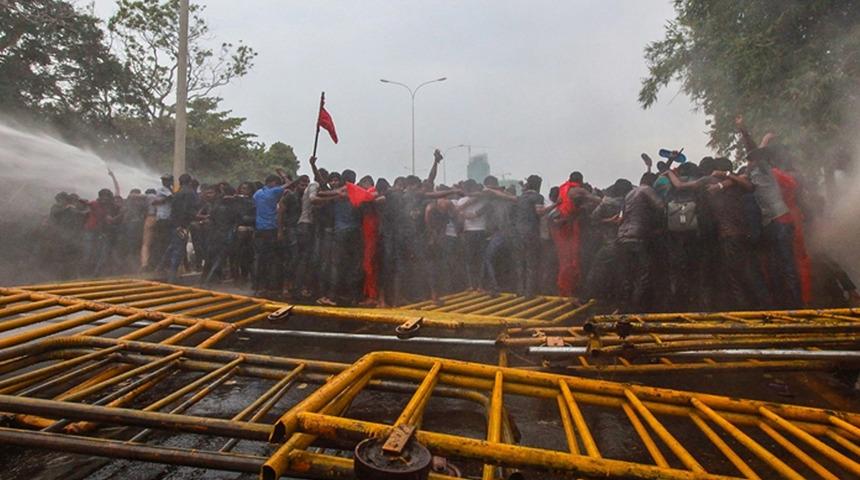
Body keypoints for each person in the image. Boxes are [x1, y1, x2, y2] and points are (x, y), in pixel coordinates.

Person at [617, 172, 664, 312]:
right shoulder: (646, 190)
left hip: (622, 236)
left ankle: (625, 304)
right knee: (644, 272)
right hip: (638, 236)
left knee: (628, 273)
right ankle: (638, 305)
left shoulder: (629, 193)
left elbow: (623, 215)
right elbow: (661, 207)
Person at [252, 170, 290, 295]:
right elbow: (289, 183)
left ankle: (258, 286)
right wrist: (283, 175)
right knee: (273, 259)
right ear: (273, 183)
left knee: (260, 259)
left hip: (259, 229)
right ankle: (269, 286)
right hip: (271, 229)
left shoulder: (257, 193)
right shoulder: (274, 191)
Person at [164, 173, 198, 283]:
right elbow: (187, 210)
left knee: (174, 247)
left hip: (175, 224)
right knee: (178, 249)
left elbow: (175, 210)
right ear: (189, 182)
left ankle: (164, 270)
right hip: (182, 225)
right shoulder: (190, 193)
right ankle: (172, 276)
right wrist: (182, 225)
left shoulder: (178, 193)